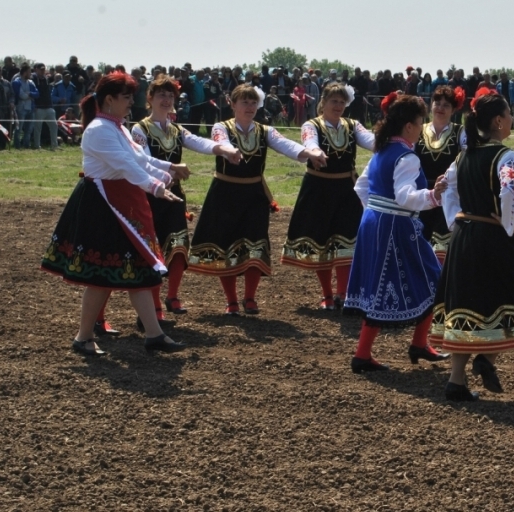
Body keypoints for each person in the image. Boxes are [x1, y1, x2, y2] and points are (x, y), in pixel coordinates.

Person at [40, 72, 189, 356]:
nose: (131, 102)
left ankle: (154, 334)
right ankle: (83, 337)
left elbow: (139, 159)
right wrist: (156, 186)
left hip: (123, 202)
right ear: (109, 100)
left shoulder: (116, 127)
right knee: (101, 274)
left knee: (140, 267)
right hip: (103, 205)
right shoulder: (98, 130)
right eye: (127, 97)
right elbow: (123, 165)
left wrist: (166, 171)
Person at [431, 89, 514, 401]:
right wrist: (506, 224)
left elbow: (447, 188)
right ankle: (486, 358)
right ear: (497, 120)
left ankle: (456, 381)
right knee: (512, 297)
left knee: (465, 305)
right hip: (492, 236)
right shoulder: (505, 155)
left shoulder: (462, 157)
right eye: (509, 115)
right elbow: (510, 190)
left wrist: (455, 219)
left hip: (463, 236)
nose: (511, 120)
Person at [187, 84, 326, 315]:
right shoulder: (221, 127)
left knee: (256, 244)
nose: (250, 107)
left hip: (254, 196)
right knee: (226, 246)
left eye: (253, 103)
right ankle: (231, 301)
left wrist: (309, 153)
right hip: (224, 194)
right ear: (232, 104)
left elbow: (286, 145)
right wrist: (229, 151)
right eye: (244, 102)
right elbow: (221, 142)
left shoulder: (265, 131)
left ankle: (250, 298)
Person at [345, 94, 451, 373]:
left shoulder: (381, 151)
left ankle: (369, 352)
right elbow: (405, 197)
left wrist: (376, 213)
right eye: (420, 122)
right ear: (408, 127)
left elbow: (361, 188)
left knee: (379, 286)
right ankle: (409, 345)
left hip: (373, 224)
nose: (422, 127)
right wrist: (433, 195)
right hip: (396, 226)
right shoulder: (407, 156)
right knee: (434, 279)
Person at [131, 74, 241, 323]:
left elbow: (199, 142)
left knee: (179, 248)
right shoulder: (139, 129)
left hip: (174, 196)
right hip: (148, 196)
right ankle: (154, 306)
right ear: (150, 98)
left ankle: (172, 295)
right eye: (161, 95)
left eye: (171, 96)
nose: (167, 100)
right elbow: (142, 161)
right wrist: (170, 170)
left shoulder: (176, 129)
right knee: (154, 251)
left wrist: (225, 149)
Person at [280, 82, 375, 310]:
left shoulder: (353, 126)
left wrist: (392, 140)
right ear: (323, 102)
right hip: (318, 190)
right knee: (321, 243)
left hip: (346, 191)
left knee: (346, 241)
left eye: (342, 102)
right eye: (334, 101)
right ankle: (327, 295)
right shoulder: (311, 125)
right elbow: (309, 141)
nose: (339, 106)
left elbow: (372, 141)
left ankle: (343, 294)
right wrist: (314, 151)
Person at [414, 85, 467, 262]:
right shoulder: (418, 130)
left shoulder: (460, 132)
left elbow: (467, 159)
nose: (440, 108)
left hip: (448, 194)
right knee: (419, 243)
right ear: (430, 105)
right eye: (437, 103)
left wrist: (449, 180)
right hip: (421, 194)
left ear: (453, 110)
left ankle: (440, 287)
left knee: (442, 245)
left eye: (446, 105)